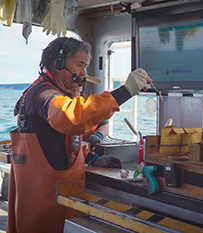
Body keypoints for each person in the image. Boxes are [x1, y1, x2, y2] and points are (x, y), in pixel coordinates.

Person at [8, 37, 151, 233]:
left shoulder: (55, 94)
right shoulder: (42, 94)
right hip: (44, 202)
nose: (84, 73)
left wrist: (92, 159)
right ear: (58, 62)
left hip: (59, 197)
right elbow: (71, 118)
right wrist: (125, 91)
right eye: (80, 65)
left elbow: (57, 143)